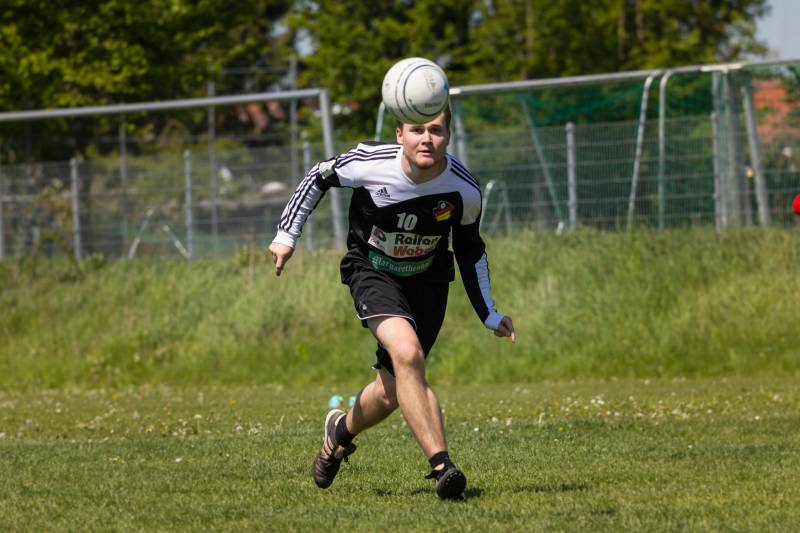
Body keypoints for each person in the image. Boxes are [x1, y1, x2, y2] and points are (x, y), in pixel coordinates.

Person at [268, 105, 515, 500]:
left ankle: (340, 431)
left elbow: (470, 251)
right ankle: (442, 466)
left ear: (448, 136)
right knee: (407, 353)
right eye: (417, 130)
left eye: (436, 130)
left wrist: (489, 313)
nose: (427, 139)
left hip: (429, 282)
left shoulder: (464, 189)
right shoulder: (370, 163)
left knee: (391, 390)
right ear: (400, 134)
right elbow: (319, 175)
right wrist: (287, 235)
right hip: (373, 271)